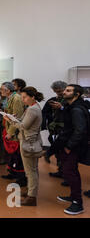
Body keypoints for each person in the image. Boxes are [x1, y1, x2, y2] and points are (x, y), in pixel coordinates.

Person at [5, 87, 44, 207]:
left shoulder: (32, 109)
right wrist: (14, 117)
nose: (23, 100)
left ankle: (32, 197)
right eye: (22, 97)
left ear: (32, 97)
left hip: (28, 142)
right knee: (32, 169)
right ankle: (30, 191)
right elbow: (23, 122)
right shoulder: (33, 107)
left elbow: (23, 126)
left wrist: (10, 120)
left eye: (25, 97)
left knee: (30, 171)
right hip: (31, 141)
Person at [54, 84, 89, 215]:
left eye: (68, 91)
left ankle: (77, 204)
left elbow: (80, 130)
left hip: (73, 146)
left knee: (70, 172)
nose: (64, 92)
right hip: (69, 144)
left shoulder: (77, 109)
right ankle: (74, 196)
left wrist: (69, 146)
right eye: (65, 90)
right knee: (71, 171)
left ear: (77, 94)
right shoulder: (71, 107)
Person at [0, 82, 27, 187]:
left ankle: (21, 178)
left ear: (8, 90)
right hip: (9, 128)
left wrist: (10, 133)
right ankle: (12, 172)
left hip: (15, 132)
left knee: (17, 155)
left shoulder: (16, 99)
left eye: (2, 89)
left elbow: (17, 117)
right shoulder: (9, 98)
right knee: (11, 155)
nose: (1, 90)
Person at [42, 81, 68, 178]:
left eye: (60, 91)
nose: (58, 93)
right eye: (56, 91)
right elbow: (44, 112)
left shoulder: (70, 101)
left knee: (64, 151)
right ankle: (61, 170)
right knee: (58, 149)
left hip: (66, 130)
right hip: (54, 129)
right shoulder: (52, 100)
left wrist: (61, 108)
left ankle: (65, 172)